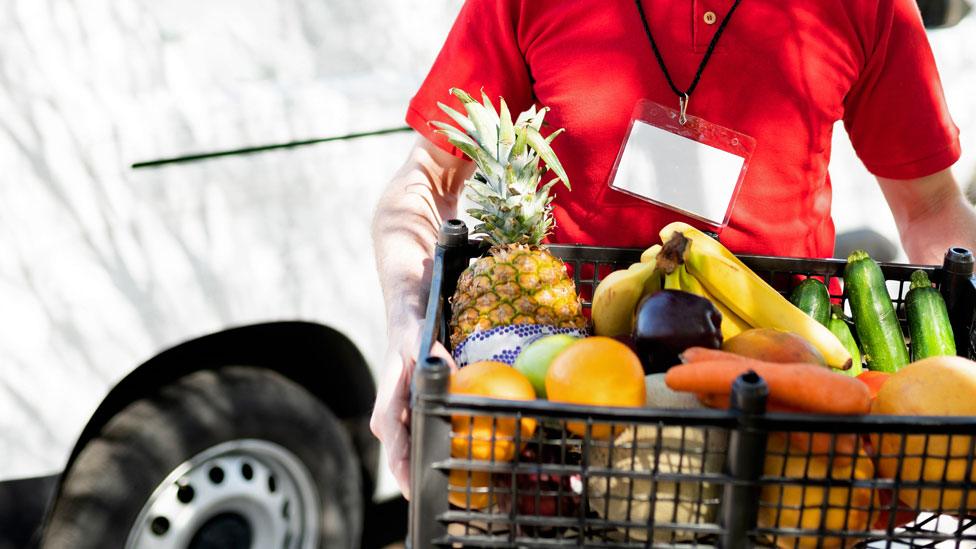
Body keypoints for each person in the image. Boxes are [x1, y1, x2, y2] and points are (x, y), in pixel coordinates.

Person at [370, 0, 976, 498]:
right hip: (566, 408)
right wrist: (405, 326)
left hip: (783, 416)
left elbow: (931, 210)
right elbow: (427, 177)